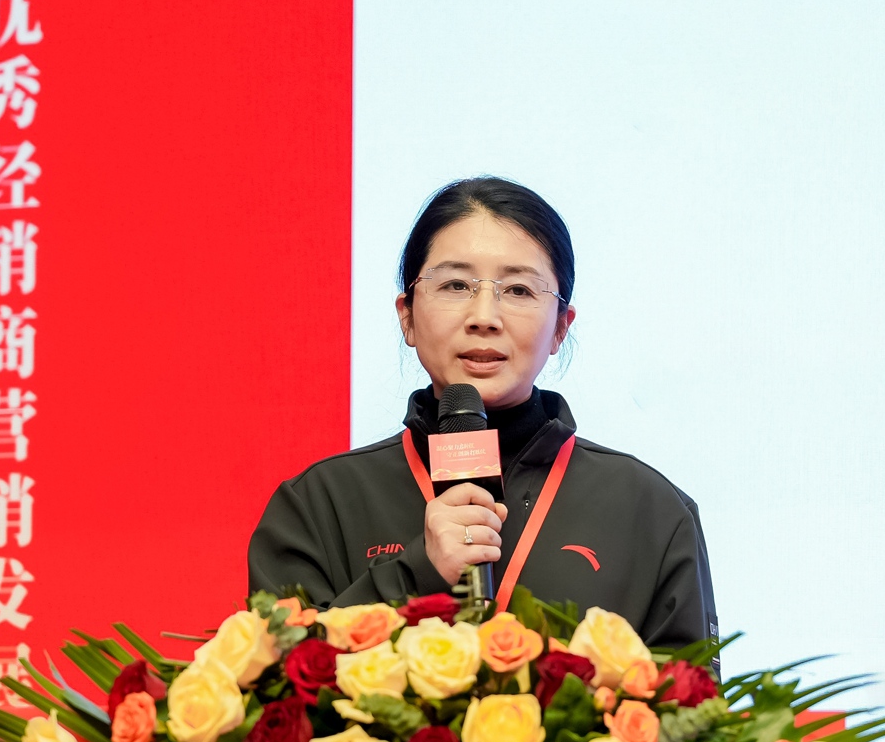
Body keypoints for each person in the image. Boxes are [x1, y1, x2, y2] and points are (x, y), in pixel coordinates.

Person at [248, 177, 716, 649]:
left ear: (560, 328)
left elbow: (690, 695)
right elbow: (273, 683)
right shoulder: (316, 505)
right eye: (456, 285)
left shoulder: (652, 512)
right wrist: (416, 573)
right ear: (407, 316)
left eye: (519, 290)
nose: (484, 317)